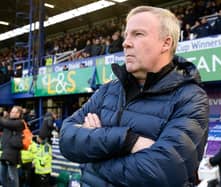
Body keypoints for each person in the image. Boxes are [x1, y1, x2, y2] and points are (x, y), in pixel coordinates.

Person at [59, 6, 209, 187]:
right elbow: (66, 138)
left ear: (166, 43)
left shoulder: (191, 98)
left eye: (138, 34)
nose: (125, 43)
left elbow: (161, 172)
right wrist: (129, 140)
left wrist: (91, 160)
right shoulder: (109, 90)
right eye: (126, 35)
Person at [0, 106, 25, 187]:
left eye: (15, 112)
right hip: (5, 152)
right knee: (2, 176)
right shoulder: (8, 121)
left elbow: (5, 123)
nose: (12, 113)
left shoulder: (19, 123)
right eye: (12, 111)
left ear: (19, 114)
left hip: (12, 153)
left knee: (13, 177)